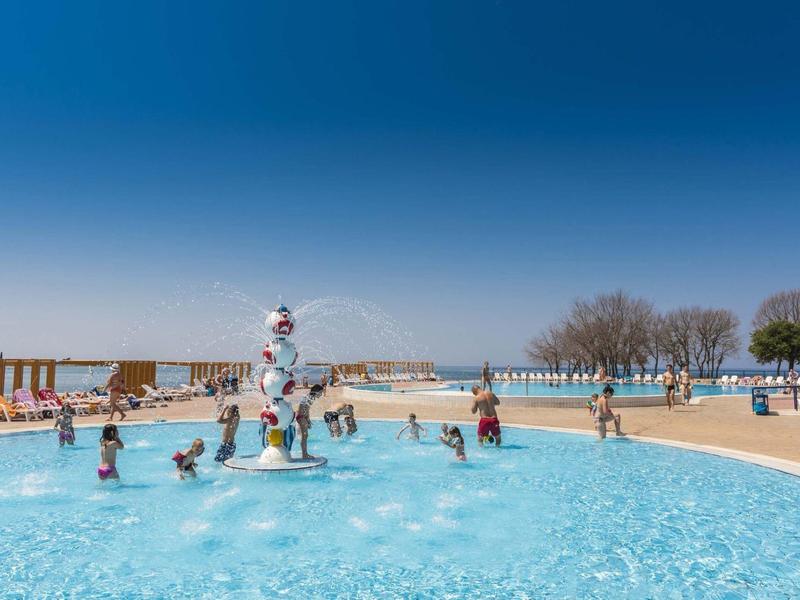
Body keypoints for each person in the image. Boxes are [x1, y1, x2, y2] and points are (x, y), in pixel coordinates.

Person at [296, 384, 323, 459]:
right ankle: (304, 455)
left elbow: (307, 409)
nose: (321, 394)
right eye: (320, 392)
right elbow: (301, 408)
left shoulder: (310, 397)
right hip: (301, 417)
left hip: (302, 417)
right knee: (304, 436)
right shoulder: (308, 397)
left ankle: (305, 453)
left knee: (305, 436)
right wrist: (304, 419)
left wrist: (308, 419)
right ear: (316, 391)